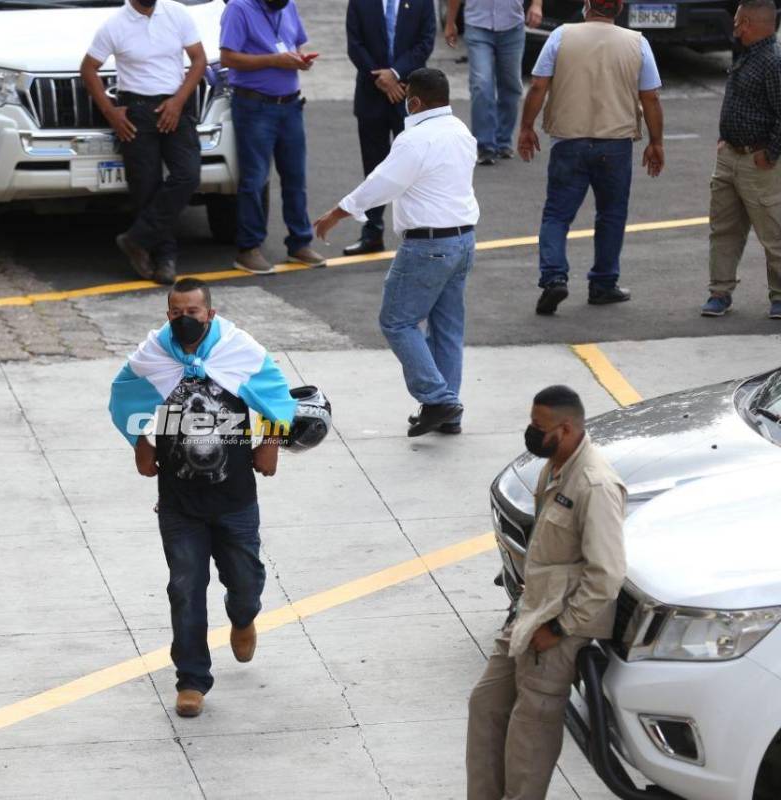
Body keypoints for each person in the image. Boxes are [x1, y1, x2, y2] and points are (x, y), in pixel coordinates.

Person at [108, 277, 296, 718]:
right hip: (179, 499)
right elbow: (126, 393)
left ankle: (243, 615)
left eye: (192, 312)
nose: (184, 320)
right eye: (176, 313)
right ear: (168, 313)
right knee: (185, 588)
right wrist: (140, 440)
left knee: (245, 580)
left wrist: (270, 440)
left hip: (235, 497)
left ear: (209, 314)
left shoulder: (238, 348)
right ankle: (191, 680)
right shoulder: (155, 352)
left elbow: (274, 392)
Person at [466, 385, 626, 800]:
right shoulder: (554, 467)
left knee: (530, 731)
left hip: (556, 625)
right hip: (530, 613)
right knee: (486, 706)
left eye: (540, 426)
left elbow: (606, 575)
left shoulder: (595, 484)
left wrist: (559, 628)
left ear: (567, 428)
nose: (531, 432)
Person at [313, 68, 478, 437]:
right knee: (447, 329)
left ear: (414, 101)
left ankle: (437, 399)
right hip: (464, 241)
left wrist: (337, 213)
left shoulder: (414, 140)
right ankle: (448, 410)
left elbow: (381, 184)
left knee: (398, 322)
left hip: (428, 246)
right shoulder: (461, 132)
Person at [517, 0, 664, 316]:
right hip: (616, 143)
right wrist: (656, 142)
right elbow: (650, 97)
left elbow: (538, 86)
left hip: (568, 141)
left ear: (586, 6)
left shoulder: (561, 36)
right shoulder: (637, 43)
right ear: (619, 7)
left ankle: (554, 276)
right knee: (611, 214)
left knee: (557, 214)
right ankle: (603, 283)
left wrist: (527, 127)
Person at [81, 0, 205, 287]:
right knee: (146, 187)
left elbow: (198, 60)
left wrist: (178, 101)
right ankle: (164, 259)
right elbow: (88, 69)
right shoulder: (114, 25)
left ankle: (136, 238)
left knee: (187, 175)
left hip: (176, 106)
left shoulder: (176, 13)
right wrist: (111, 113)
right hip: (137, 111)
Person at [219, 0, 326, 274]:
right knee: (254, 179)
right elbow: (228, 57)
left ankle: (299, 242)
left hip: (290, 105)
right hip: (255, 107)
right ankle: (248, 248)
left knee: (295, 176)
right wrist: (273, 60)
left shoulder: (287, 6)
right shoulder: (239, 9)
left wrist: (299, 60)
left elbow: (294, 44)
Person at [702, 0, 781, 321]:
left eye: (737, 22)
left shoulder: (774, 62)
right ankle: (720, 292)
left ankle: (779, 296)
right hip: (730, 156)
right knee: (723, 228)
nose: (734, 28)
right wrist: (725, 138)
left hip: (758, 161)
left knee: (773, 234)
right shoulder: (748, 55)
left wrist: (770, 152)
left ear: (748, 23)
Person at [344, 0, 436, 255]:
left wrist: (395, 73)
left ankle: (421, 233)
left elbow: (425, 42)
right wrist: (382, 79)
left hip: (409, 95)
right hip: (371, 95)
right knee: (374, 170)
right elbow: (355, 45)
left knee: (415, 169)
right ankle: (372, 233)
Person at [445, 0, 542, 165]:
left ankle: (503, 140)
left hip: (512, 25)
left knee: (511, 85)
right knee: (481, 84)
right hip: (477, 25)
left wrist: (536, 5)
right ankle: (485, 145)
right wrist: (450, 22)